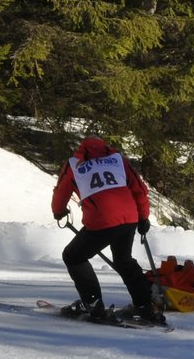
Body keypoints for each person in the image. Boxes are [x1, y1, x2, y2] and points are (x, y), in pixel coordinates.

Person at [50, 136, 165, 324]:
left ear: (81, 149)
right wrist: (143, 218)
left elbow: (61, 192)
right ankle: (145, 307)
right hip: (129, 218)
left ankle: (94, 305)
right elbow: (140, 190)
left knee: (73, 256)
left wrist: (58, 212)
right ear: (105, 147)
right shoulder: (118, 159)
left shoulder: (74, 164)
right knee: (124, 260)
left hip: (101, 220)